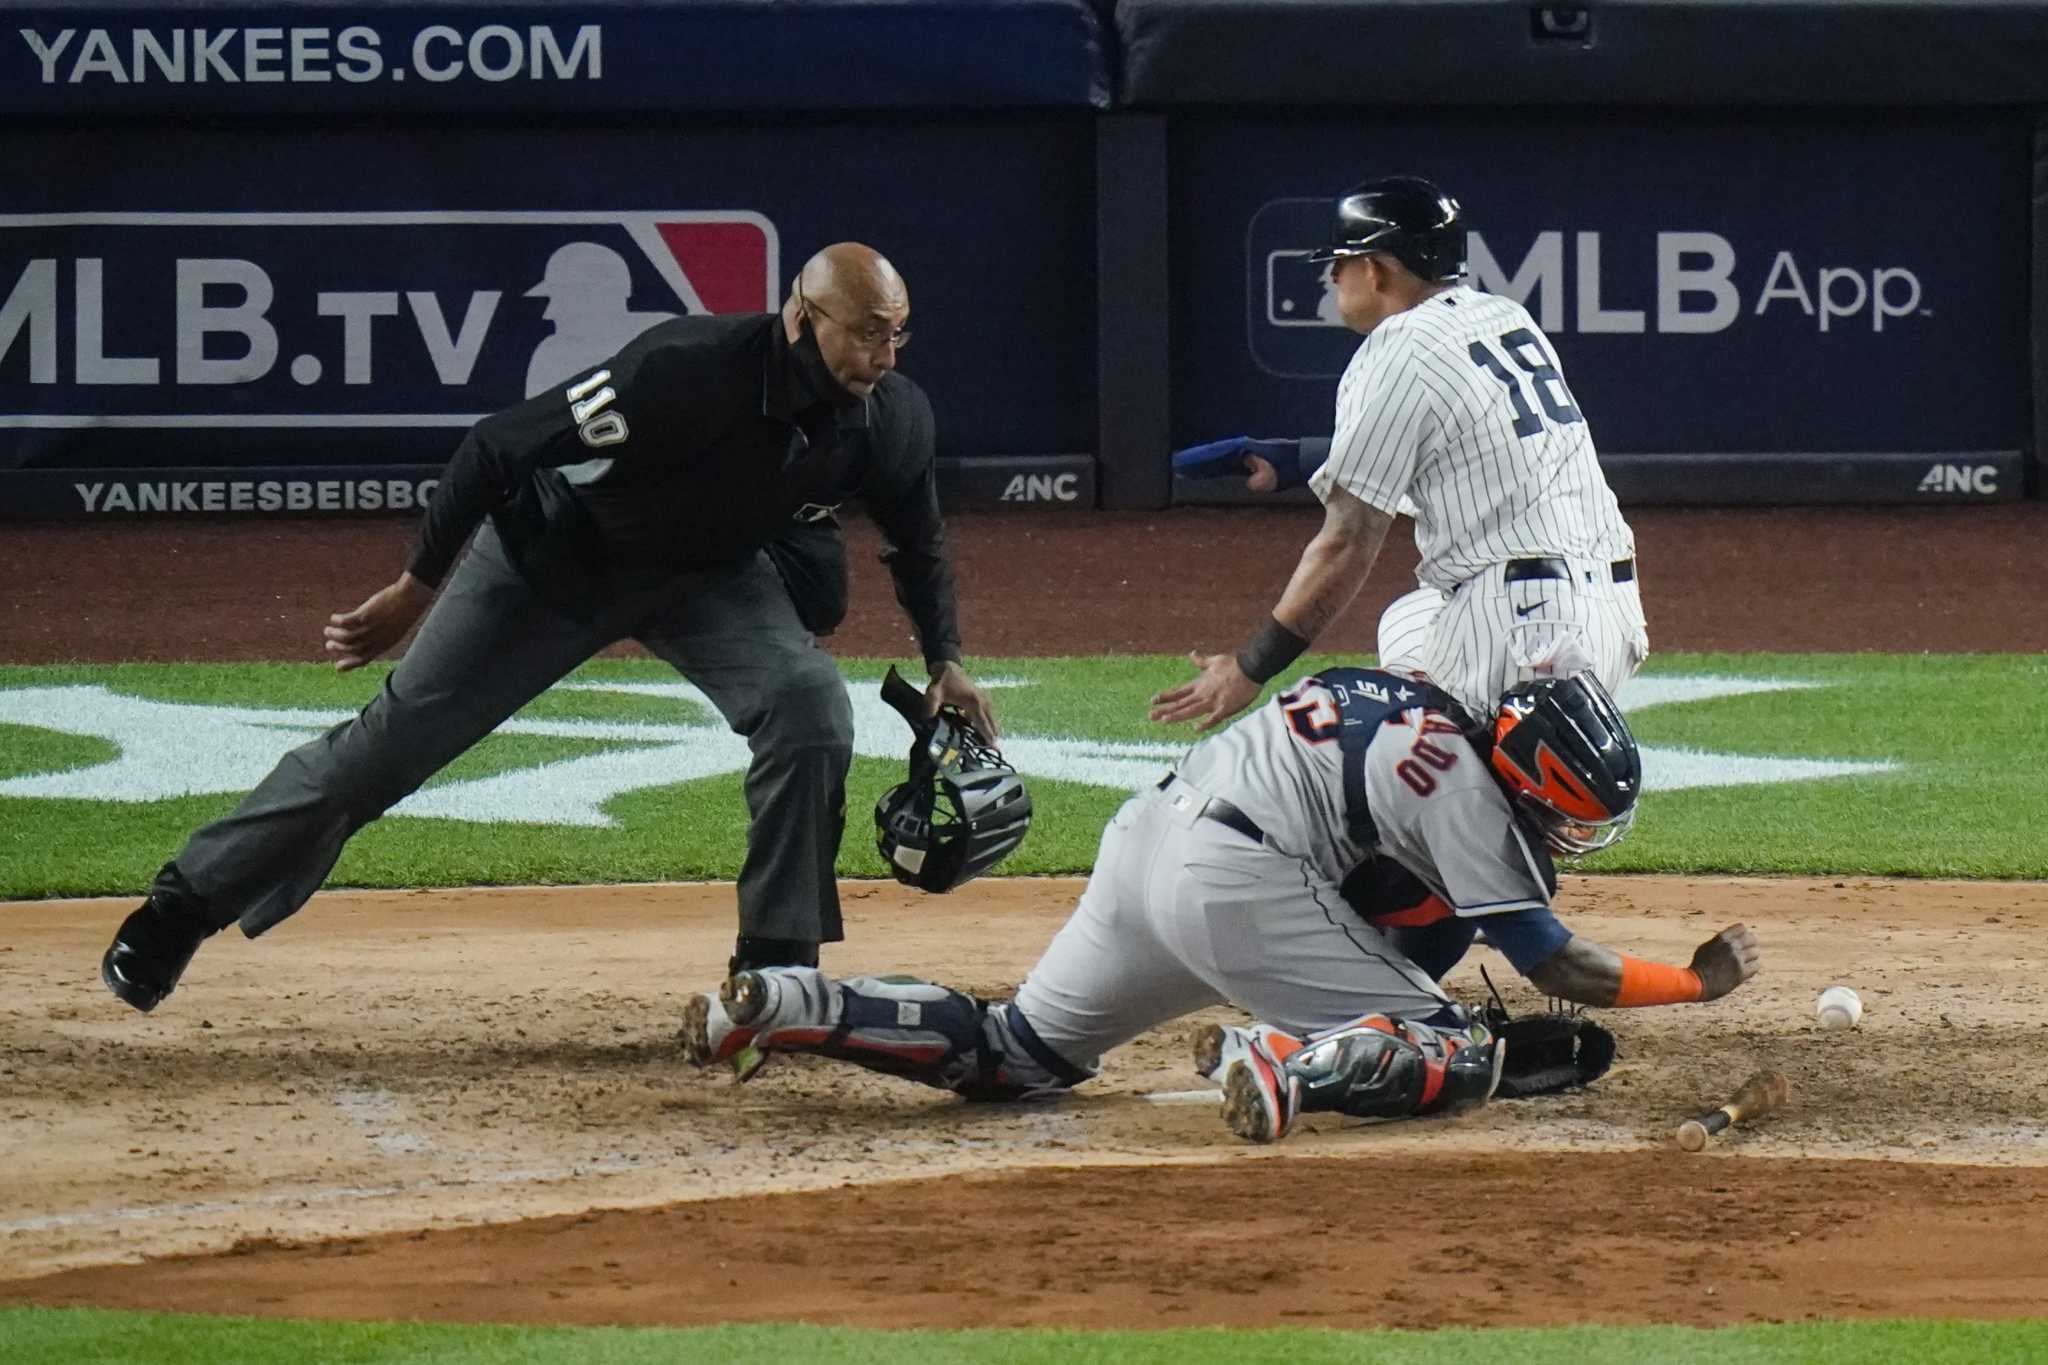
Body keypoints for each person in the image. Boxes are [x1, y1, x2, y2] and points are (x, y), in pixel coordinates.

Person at [100, 243, 995, 1014]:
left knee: (809, 702)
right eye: (866, 329)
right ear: (804, 316)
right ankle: (179, 909)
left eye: (897, 332)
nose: (884, 352)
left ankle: (777, 969)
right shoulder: (684, 369)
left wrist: (944, 659)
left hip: (706, 580)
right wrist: (415, 588)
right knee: (389, 750)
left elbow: (919, 540)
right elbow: (499, 444)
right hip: (554, 564)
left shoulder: (890, 420)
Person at [681, 666, 1760, 1143]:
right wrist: (1697, 981)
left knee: (1017, 1055)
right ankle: (1283, 1061)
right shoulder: (1473, 807)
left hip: (1151, 836)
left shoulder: (1405, 699)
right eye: (1566, 810)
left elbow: (1381, 911)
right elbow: (1561, 970)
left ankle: (782, 1001)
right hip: (1238, 885)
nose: (1569, 831)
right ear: (1527, 776)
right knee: (1456, 1049)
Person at [1156, 174, 1648, 731]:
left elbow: (1346, 544)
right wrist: (1297, 460)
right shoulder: (1505, 317)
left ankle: (1496, 782)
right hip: (1611, 616)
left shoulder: (1397, 347)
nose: (1333, 274)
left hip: (1520, 631)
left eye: (1341, 260)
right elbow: (1471, 449)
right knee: (1410, 621)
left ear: (1375, 267)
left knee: (1388, 771)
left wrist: (1248, 667)